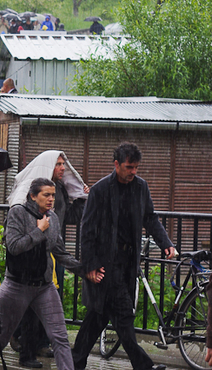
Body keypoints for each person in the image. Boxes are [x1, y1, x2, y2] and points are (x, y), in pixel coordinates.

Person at [72, 142, 175, 370]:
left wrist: (165, 243)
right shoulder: (100, 190)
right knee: (122, 316)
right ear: (116, 164)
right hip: (104, 265)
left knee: (98, 317)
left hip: (127, 264)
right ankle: (143, 365)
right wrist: (89, 265)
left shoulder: (141, 187)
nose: (133, 172)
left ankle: (74, 362)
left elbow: (150, 218)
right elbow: (87, 230)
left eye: (136, 167)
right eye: (129, 167)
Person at [0, 178, 82, 370]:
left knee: (59, 336)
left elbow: (60, 252)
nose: (51, 199)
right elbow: (14, 246)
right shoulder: (18, 212)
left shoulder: (53, 218)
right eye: (46, 195)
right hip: (16, 287)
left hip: (44, 287)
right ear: (33, 196)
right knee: (0, 337)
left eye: (53, 195)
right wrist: (38, 230)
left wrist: (85, 270)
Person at [7, 151, 90, 367]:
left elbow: (68, 217)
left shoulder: (60, 190)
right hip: (26, 269)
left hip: (51, 253)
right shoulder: (23, 208)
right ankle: (23, 346)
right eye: (58, 164)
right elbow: (15, 246)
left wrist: (82, 198)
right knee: (24, 312)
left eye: (64, 164)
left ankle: (41, 343)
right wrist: (39, 231)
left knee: (54, 319)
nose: (63, 168)